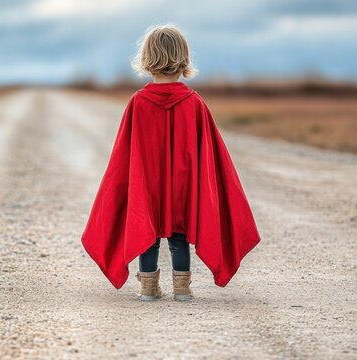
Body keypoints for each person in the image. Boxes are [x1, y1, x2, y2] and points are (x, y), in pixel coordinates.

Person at [80, 24, 261, 302]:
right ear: (183, 59)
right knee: (178, 233)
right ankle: (182, 289)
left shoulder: (138, 103)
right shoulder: (194, 103)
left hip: (147, 185)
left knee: (147, 230)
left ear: (147, 60)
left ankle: (148, 288)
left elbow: (122, 159)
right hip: (182, 184)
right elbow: (212, 158)